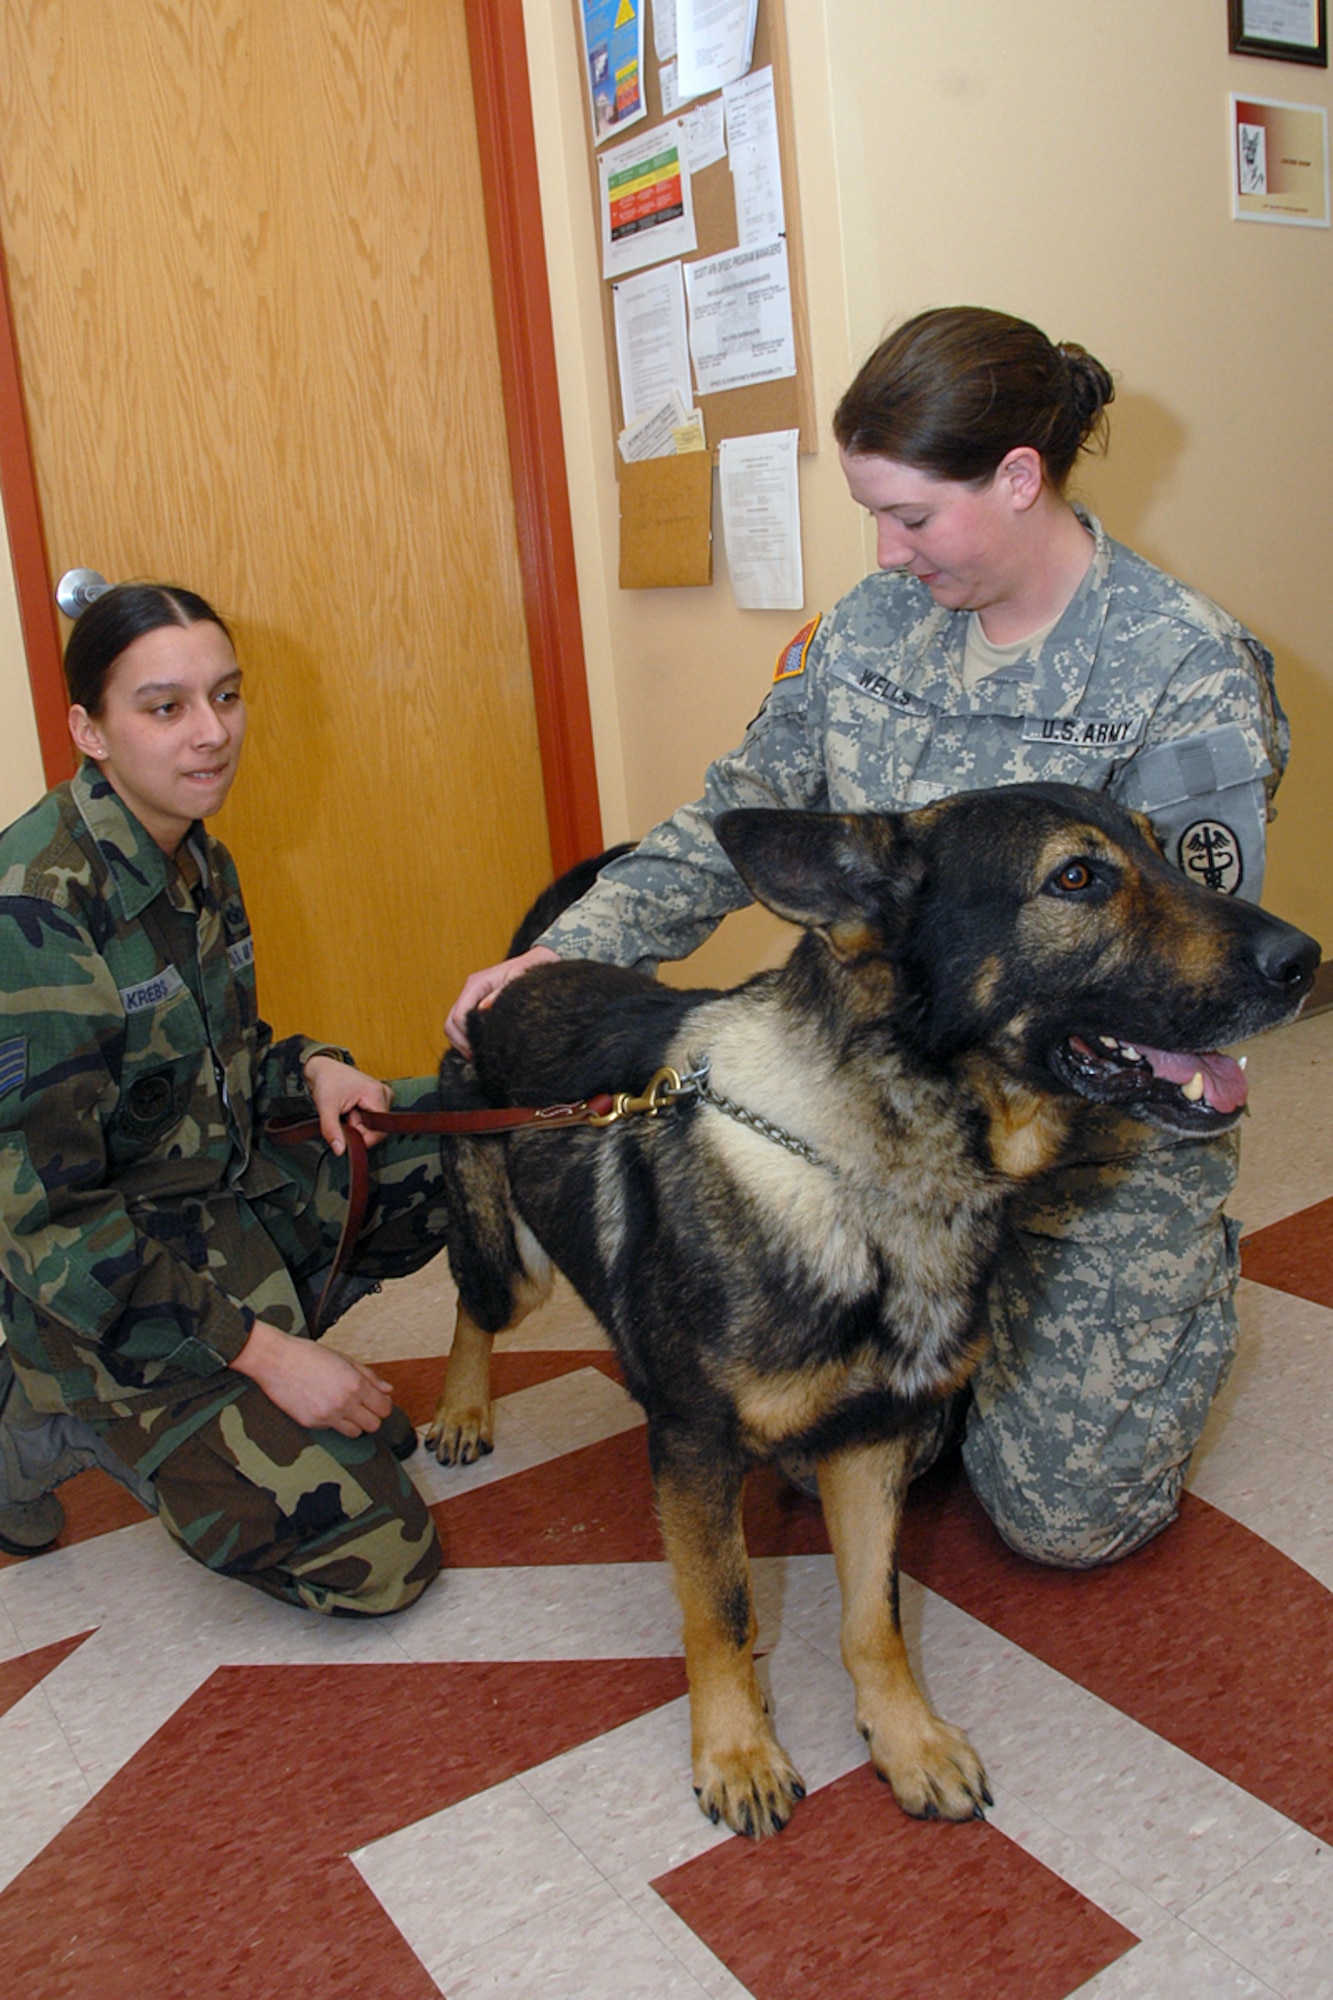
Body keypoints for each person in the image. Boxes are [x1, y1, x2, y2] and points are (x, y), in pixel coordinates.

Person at [446, 305, 1290, 1570]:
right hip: (878, 1125)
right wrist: (559, 950)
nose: (887, 551)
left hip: (1080, 1155)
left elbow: (1182, 982)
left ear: (1017, 480)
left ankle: (1127, 1314)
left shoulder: (1184, 670)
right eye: (872, 516)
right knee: (801, 1420)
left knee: (1067, 1522)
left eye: (910, 516)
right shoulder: (866, 632)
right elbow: (730, 816)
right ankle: (926, 1370)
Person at [0, 583, 452, 1614]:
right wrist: (272, 1356)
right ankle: (49, 1408)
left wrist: (317, 1066)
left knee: (445, 1134)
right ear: (90, 729)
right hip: (103, 1299)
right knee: (381, 1561)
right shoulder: (34, 914)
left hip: (215, 1210)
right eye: (165, 707)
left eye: (227, 696)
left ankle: (250, 1398)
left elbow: (217, 1058)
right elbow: (49, 1226)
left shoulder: (197, 855)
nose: (212, 735)